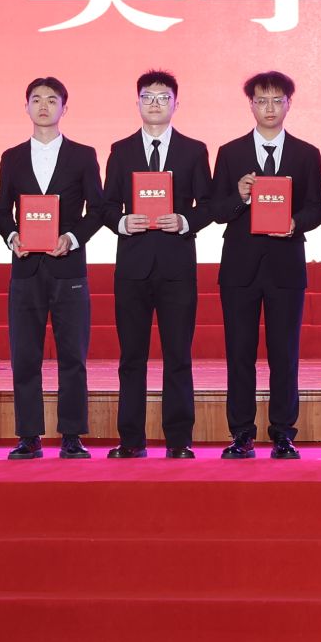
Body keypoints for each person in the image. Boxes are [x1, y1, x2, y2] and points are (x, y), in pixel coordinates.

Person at [209, 71, 321, 459]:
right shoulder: (230, 152)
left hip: (285, 266)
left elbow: (317, 208)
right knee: (239, 353)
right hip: (240, 268)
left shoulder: (306, 153)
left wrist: (295, 223)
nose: (270, 108)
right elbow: (216, 210)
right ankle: (241, 433)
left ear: (289, 103)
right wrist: (239, 196)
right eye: (262, 101)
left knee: (284, 354)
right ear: (251, 105)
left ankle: (283, 433)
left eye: (278, 100)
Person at [0, 76, 105, 459]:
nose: (44, 106)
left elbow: (98, 210)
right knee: (24, 356)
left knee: (73, 356)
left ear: (64, 108)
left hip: (68, 269)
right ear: (26, 106)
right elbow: (1, 211)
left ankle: (72, 435)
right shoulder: (11, 157)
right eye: (37, 99)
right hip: (25, 269)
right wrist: (12, 236)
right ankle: (29, 435)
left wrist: (71, 238)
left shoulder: (83, 155)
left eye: (52, 100)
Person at [102, 70, 209, 460]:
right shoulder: (121, 150)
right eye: (148, 97)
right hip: (132, 268)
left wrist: (184, 220)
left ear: (176, 104)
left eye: (163, 97)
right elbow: (105, 205)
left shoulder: (194, 150)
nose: (155, 104)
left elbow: (209, 204)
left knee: (178, 355)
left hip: (177, 267)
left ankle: (179, 440)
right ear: (137, 102)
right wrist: (120, 222)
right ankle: (131, 439)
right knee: (132, 357)